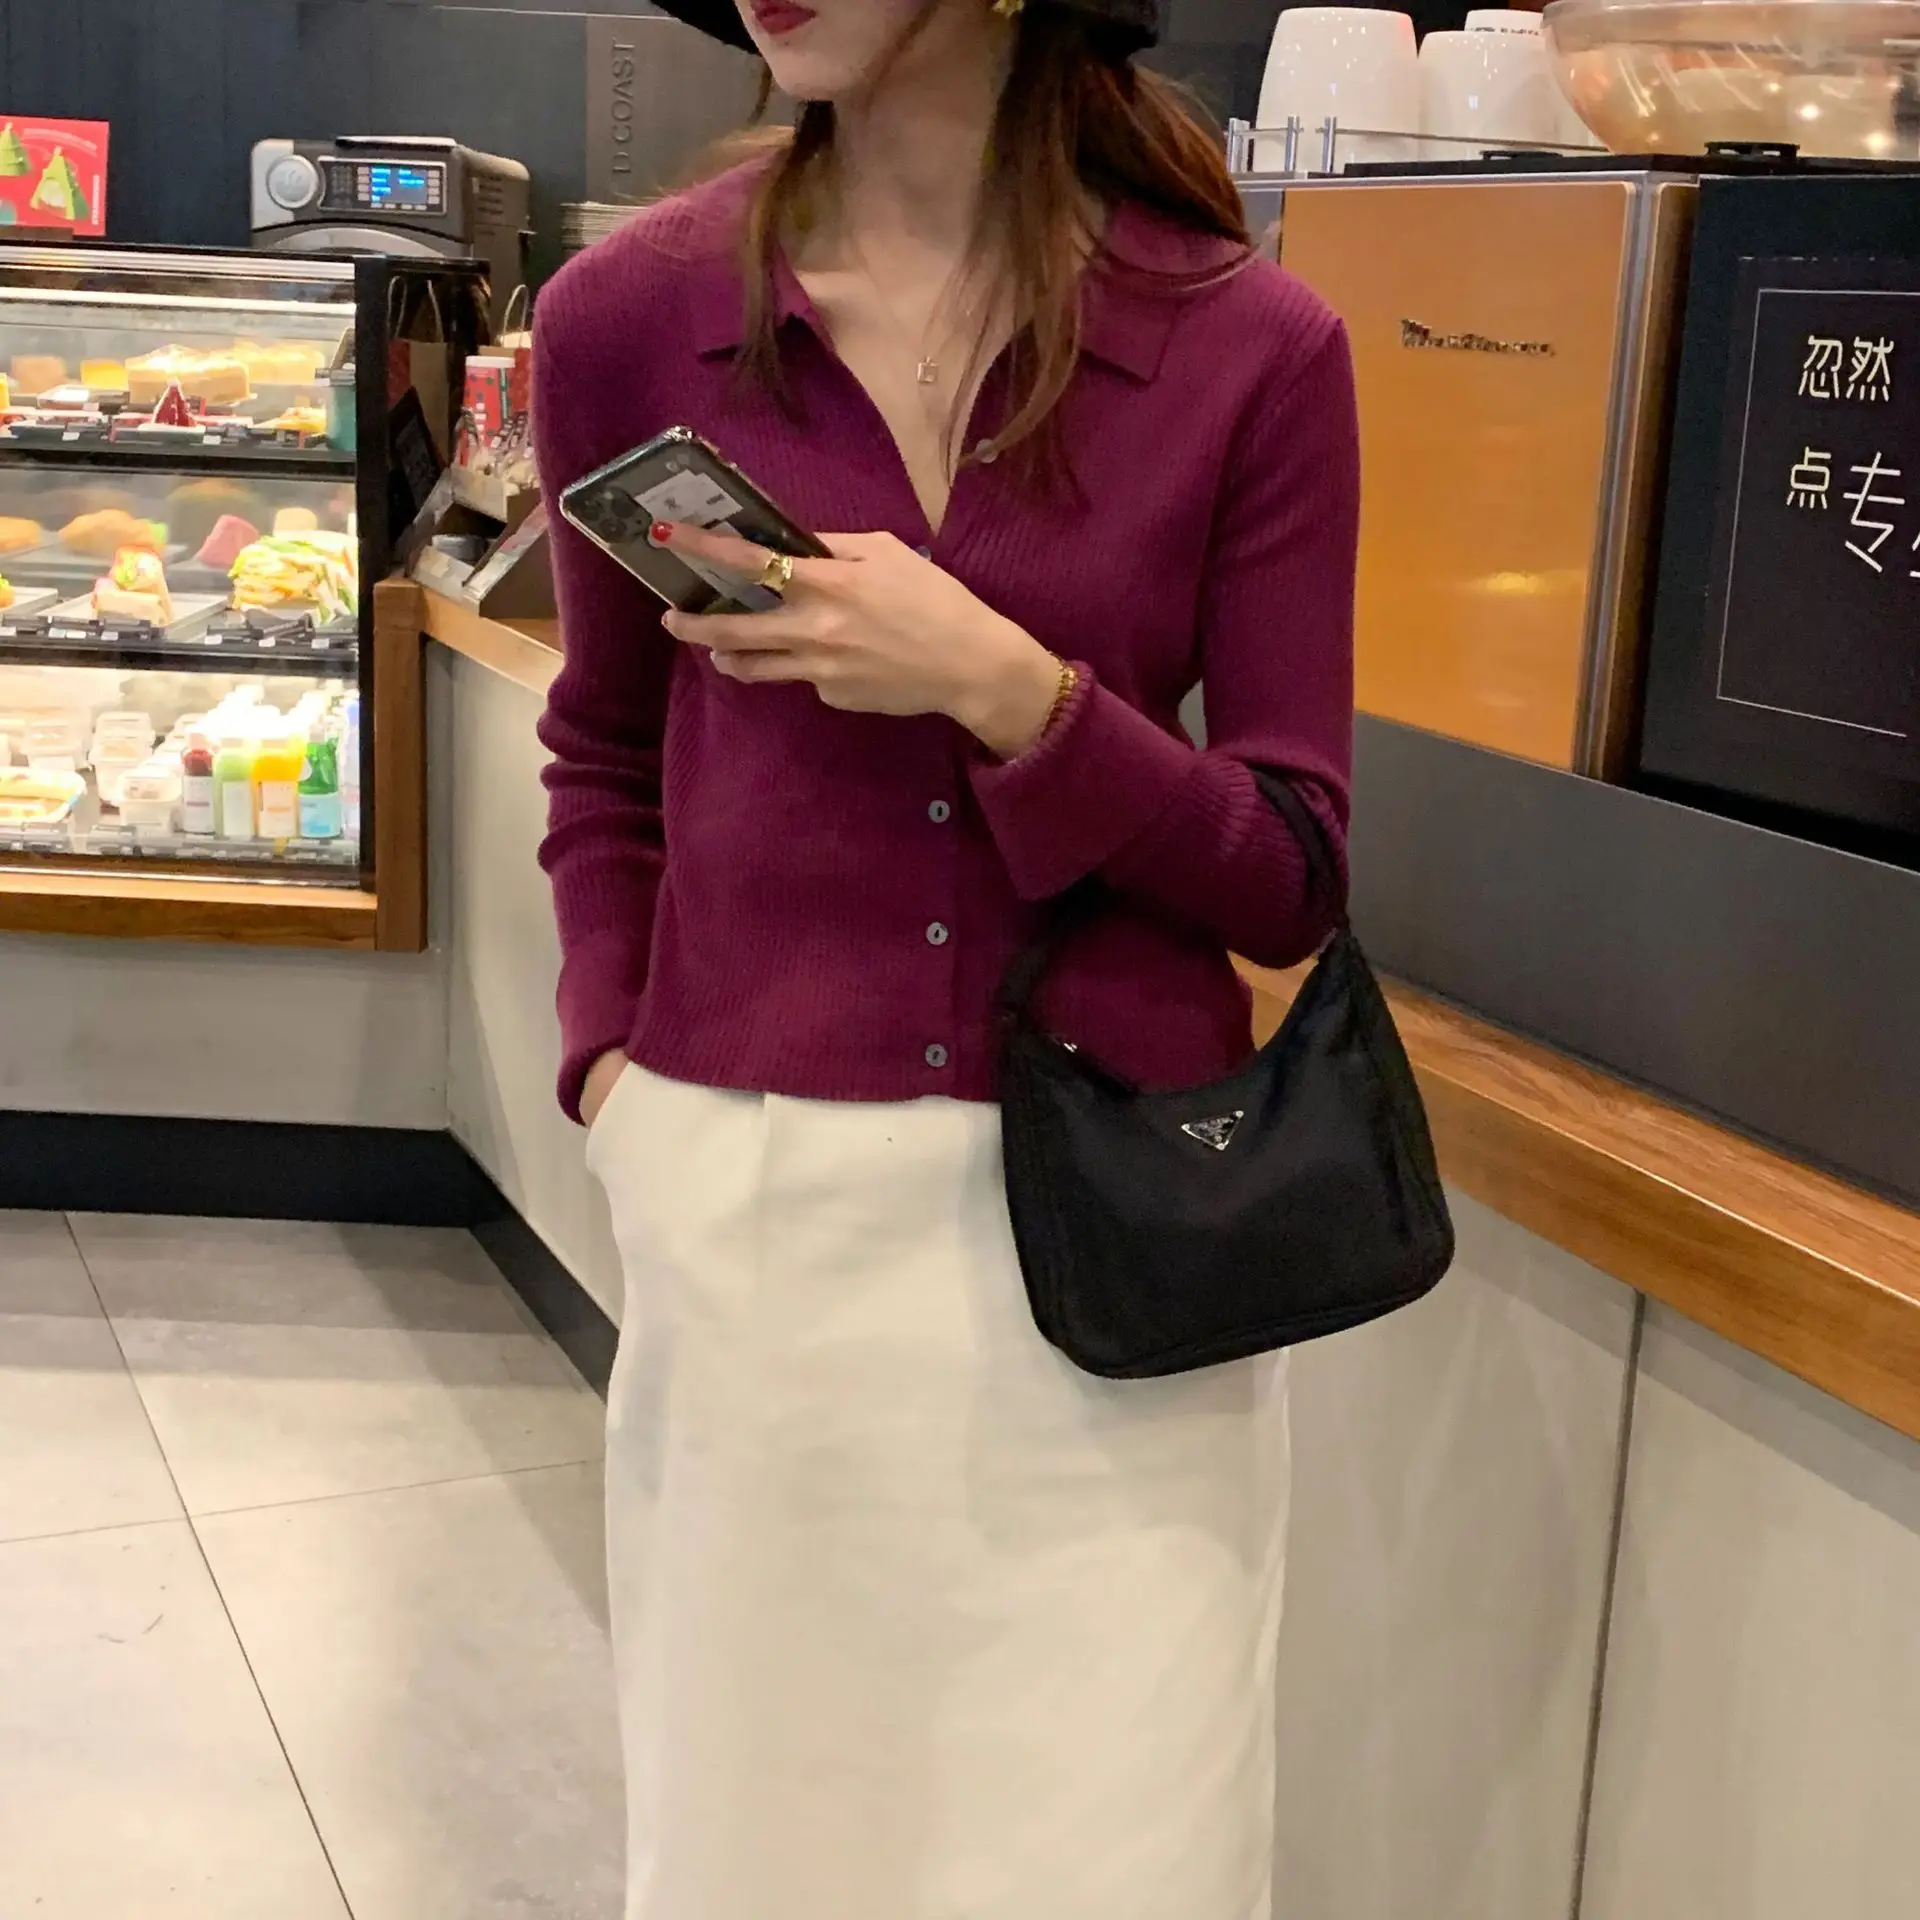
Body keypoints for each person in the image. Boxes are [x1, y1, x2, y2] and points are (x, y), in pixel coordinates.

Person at [532, 0, 1358, 1912]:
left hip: (1122, 1252)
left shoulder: (1251, 347)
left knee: (1117, 1852)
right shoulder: (627, 320)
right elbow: (607, 752)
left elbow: (1290, 874)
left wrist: (1009, 691)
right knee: (764, 1841)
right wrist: (615, 1079)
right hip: (753, 1225)